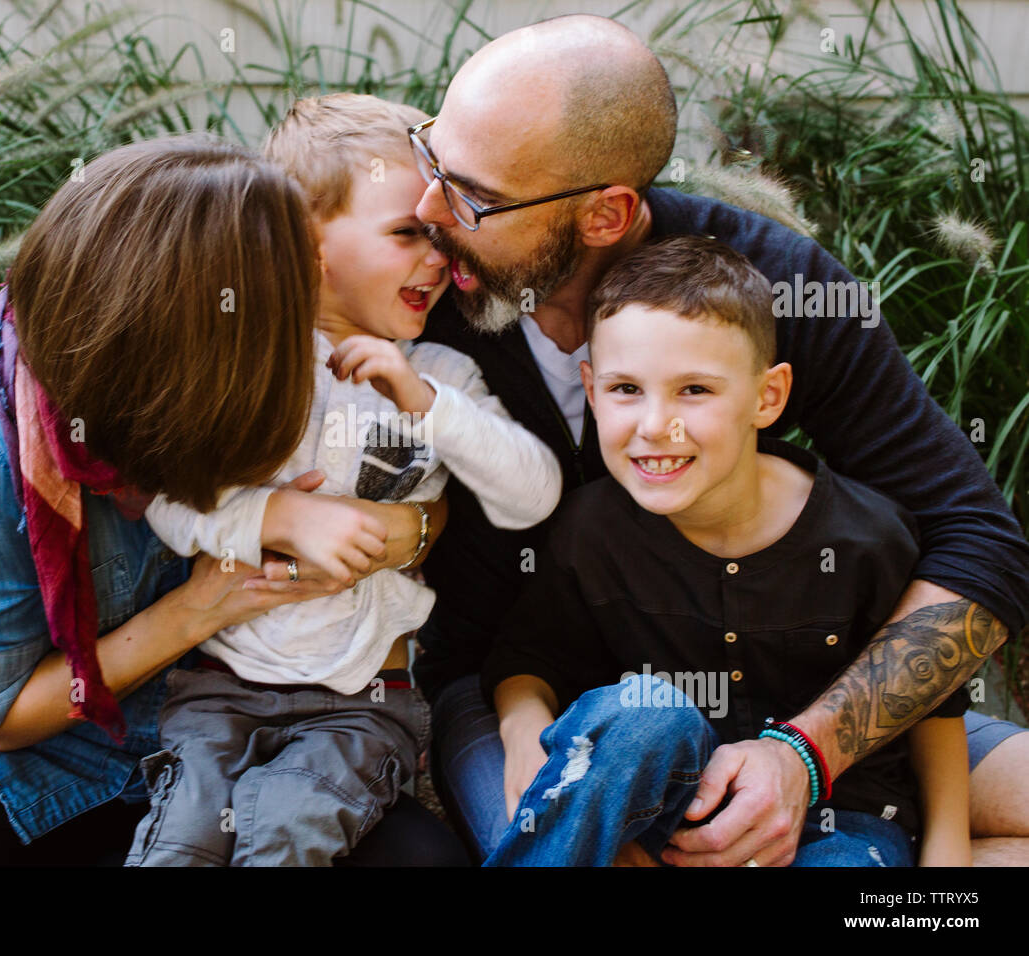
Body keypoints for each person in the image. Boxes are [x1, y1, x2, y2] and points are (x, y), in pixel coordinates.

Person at [0, 135, 465, 866]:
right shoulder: (0, 439)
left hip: (251, 735)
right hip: (63, 749)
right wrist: (204, 605)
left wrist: (407, 528)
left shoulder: (291, 328)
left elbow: (418, 472)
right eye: (286, 298)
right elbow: (0, 718)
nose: (309, 301)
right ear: (193, 335)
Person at [404, 13, 1029, 866]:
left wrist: (806, 753)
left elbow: (978, 544)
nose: (426, 209)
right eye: (428, 155)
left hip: (774, 697)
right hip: (524, 697)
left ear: (607, 212)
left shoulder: (767, 290)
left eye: (472, 194)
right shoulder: (422, 282)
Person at [126, 94, 561, 866]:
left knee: (287, 832)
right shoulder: (249, 366)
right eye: (406, 235)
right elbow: (170, 505)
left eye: (440, 236)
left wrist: (431, 407)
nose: (439, 259)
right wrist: (275, 517)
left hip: (361, 701)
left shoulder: (440, 374)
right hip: (218, 686)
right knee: (180, 840)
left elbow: (534, 496)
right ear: (303, 241)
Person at [481, 235, 970, 866]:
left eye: (695, 391)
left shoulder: (865, 535)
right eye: (626, 388)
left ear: (766, 397)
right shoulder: (591, 529)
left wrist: (948, 853)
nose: (657, 425)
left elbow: (930, 695)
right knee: (645, 711)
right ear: (592, 391)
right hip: (665, 811)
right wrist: (523, 733)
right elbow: (529, 657)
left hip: (835, 822)